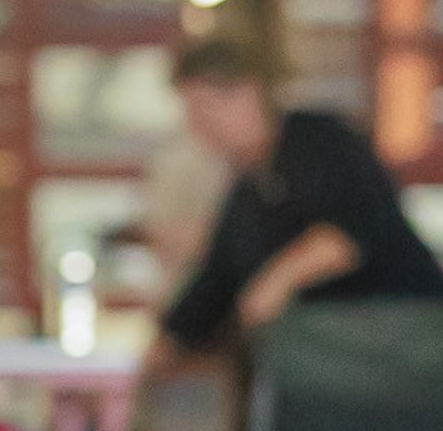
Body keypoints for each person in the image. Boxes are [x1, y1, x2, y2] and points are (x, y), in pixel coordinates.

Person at [144, 33, 443, 364]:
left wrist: (277, 281)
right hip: (330, 357)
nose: (199, 126)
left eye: (205, 107)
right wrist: (159, 351)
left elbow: (354, 229)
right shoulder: (248, 190)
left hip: (402, 338)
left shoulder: (319, 140)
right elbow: (215, 283)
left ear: (248, 91)